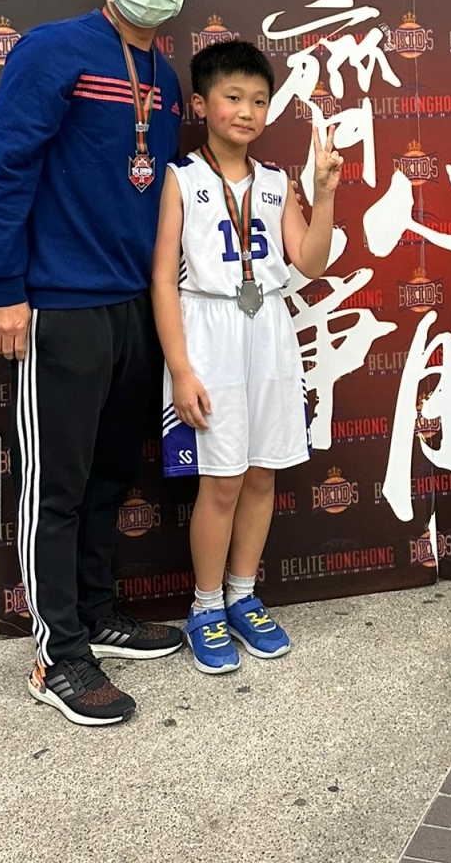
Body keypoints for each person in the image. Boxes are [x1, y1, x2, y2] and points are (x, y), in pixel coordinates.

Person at [0, 0, 192, 726]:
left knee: (108, 475)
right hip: (61, 305)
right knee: (56, 488)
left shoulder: (165, 78)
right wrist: (5, 289)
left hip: (136, 308)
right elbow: (5, 170)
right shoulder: (53, 50)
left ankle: (98, 613)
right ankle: (56, 655)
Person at [152, 40, 342, 674]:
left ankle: (242, 596)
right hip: (207, 334)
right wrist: (181, 369)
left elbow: (309, 261)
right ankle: (205, 607)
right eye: (233, 97)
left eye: (259, 101)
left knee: (262, 474)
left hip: (268, 332)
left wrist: (323, 194)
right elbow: (163, 281)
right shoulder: (181, 178)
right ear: (200, 104)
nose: (247, 111)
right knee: (222, 481)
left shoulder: (275, 182)